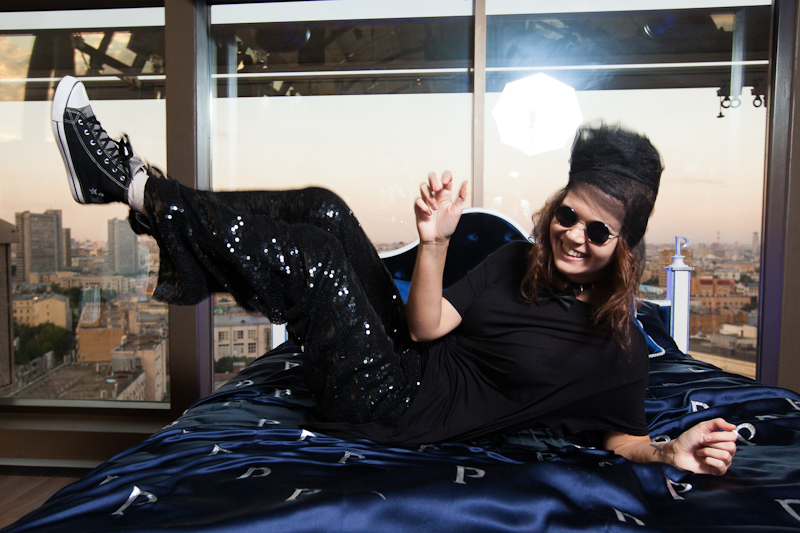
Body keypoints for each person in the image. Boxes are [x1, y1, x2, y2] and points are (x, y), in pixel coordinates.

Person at [51, 75, 737, 475]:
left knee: (316, 262)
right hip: (405, 360)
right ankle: (146, 196)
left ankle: (133, 188)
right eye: (568, 214)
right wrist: (433, 242)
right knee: (323, 208)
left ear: (624, 249)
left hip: (394, 406)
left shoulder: (617, 349)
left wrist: (668, 452)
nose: (573, 235)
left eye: (598, 231)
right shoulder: (517, 263)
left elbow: (619, 436)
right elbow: (426, 326)